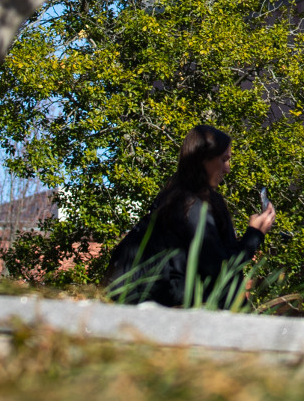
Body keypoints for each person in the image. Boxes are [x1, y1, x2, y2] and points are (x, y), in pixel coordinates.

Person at [108, 125, 278, 308]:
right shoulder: (191, 206)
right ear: (204, 159)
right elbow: (221, 270)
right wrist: (255, 234)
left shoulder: (174, 198)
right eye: (223, 159)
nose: (227, 169)